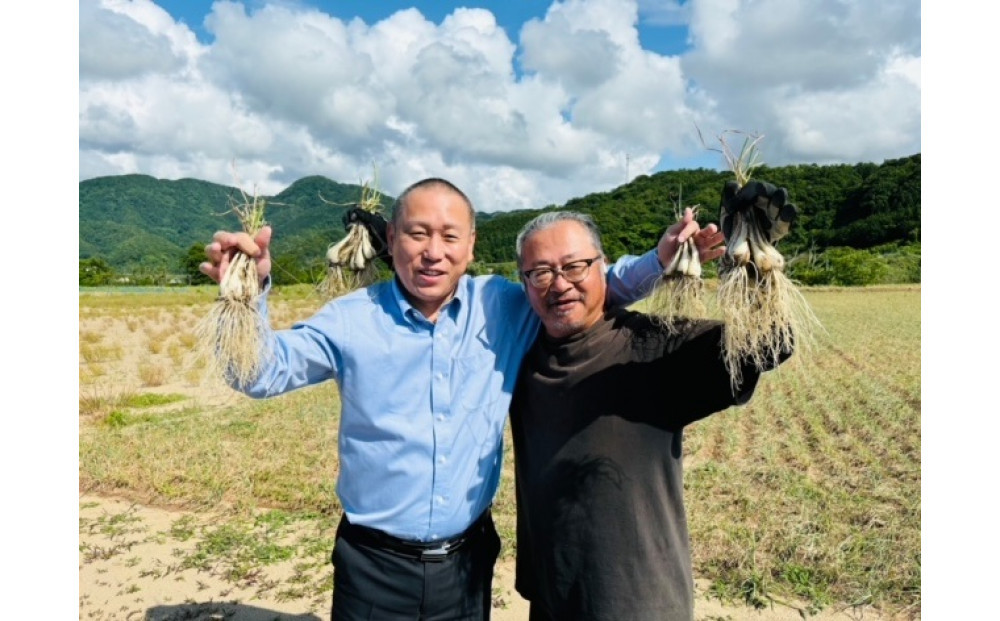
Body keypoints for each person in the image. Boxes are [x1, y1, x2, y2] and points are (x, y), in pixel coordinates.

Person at [199, 177, 725, 621]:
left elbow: (589, 286)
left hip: (467, 563)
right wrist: (248, 291)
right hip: (373, 564)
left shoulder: (504, 304)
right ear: (391, 239)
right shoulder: (351, 318)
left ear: (470, 245)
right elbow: (260, 373)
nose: (434, 251)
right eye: (417, 233)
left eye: (449, 236)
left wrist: (660, 260)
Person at [509, 203, 794, 620]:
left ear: (601, 266)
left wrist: (752, 253)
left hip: (639, 601)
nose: (559, 284)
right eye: (540, 272)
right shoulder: (518, 353)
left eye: (574, 266)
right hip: (550, 598)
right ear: (524, 282)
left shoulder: (651, 347)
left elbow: (770, 344)